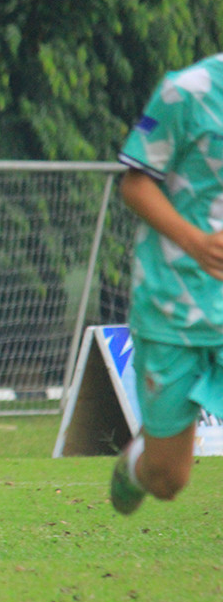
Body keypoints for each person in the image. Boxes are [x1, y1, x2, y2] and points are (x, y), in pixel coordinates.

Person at [111, 53, 223, 514]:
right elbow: (134, 185)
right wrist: (197, 243)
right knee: (168, 479)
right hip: (174, 303)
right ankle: (137, 464)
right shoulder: (188, 91)